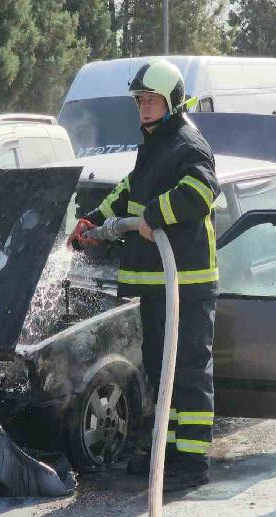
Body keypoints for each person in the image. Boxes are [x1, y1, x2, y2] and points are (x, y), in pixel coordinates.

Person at [69, 58, 219, 491]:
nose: (144, 108)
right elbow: (129, 191)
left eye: (152, 100)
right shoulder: (154, 144)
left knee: (188, 371)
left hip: (186, 283)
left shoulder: (189, 144)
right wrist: (93, 220)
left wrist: (156, 216)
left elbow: (201, 192)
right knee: (160, 369)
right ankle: (166, 453)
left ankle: (193, 463)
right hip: (157, 285)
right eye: (140, 101)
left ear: (172, 100)